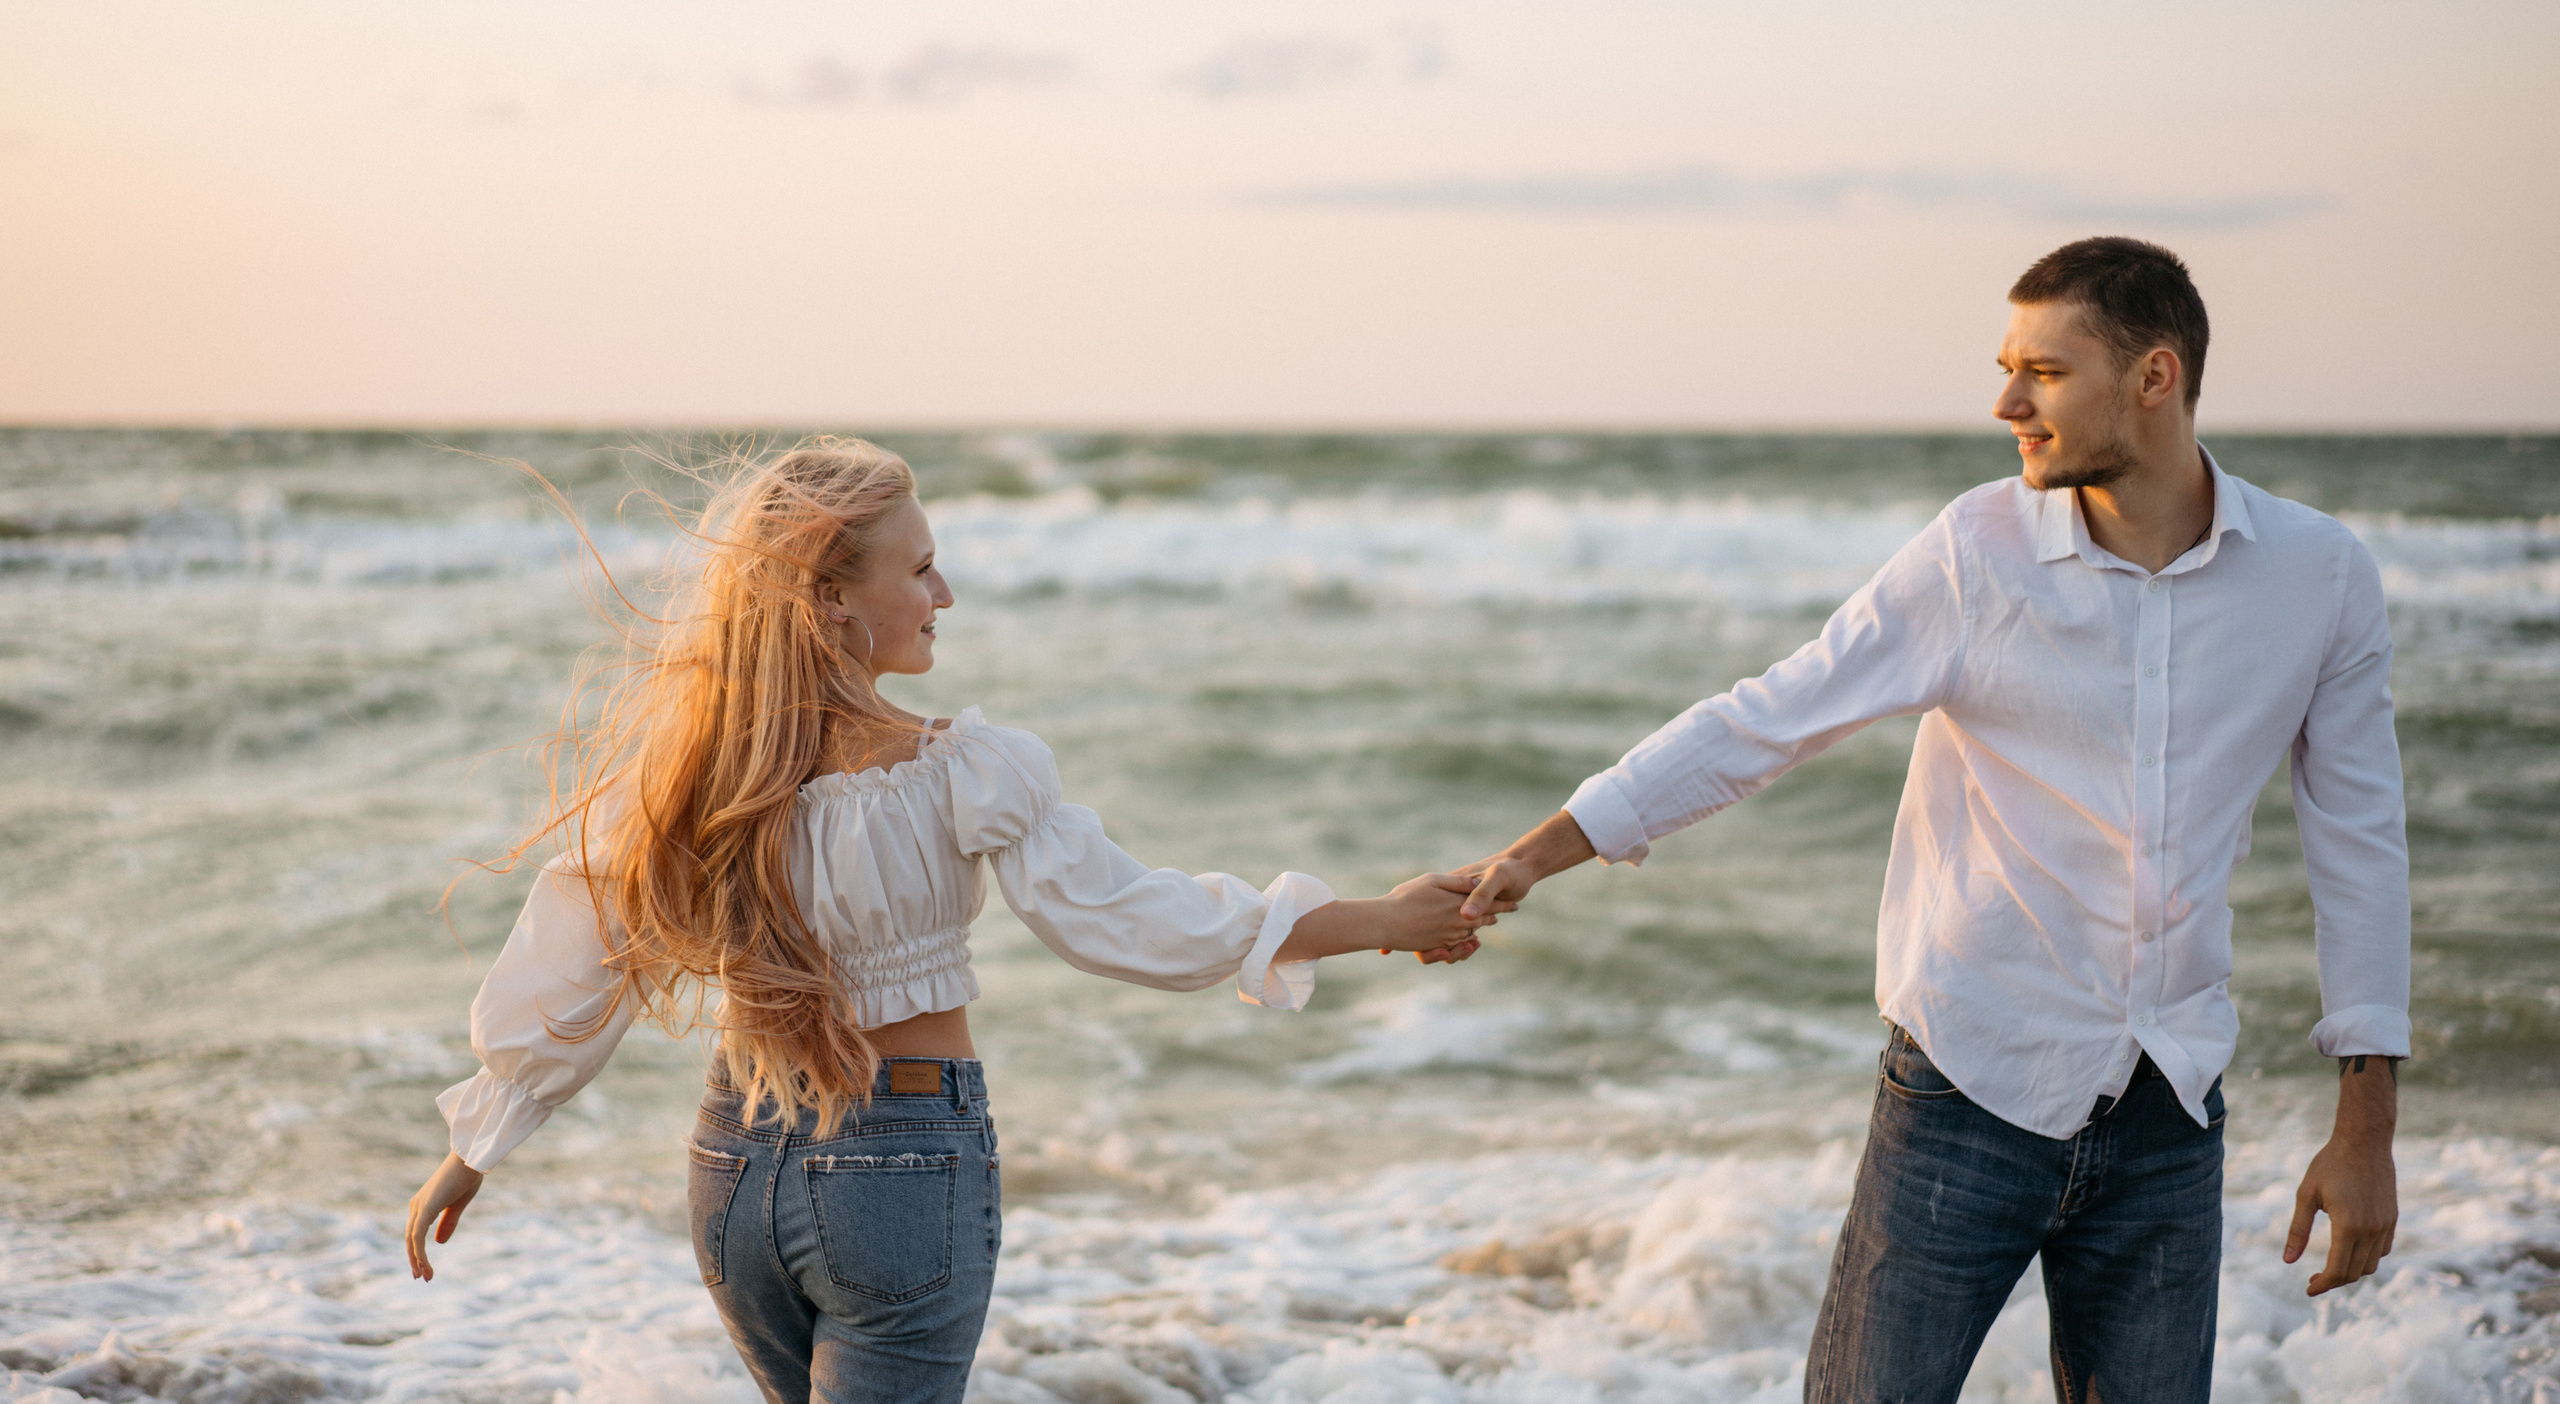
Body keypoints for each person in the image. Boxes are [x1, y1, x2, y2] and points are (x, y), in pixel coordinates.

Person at [1445, 239, 2409, 1404]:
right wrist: (1542, 850)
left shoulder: (2317, 576)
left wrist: (2364, 1129)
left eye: (2043, 373)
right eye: (2008, 370)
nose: (2006, 404)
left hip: (2169, 1102)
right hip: (1966, 1088)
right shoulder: (1974, 553)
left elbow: (2358, 844)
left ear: (2154, 376)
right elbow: (1771, 717)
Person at [401, 438, 1500, 1404]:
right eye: (920, 567)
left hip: (732, 1170)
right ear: (831, 597)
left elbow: (580, 941)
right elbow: (1130, 921)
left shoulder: (698, 776)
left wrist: (478, 1142)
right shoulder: (958, 769)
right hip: (900, 1168)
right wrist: (1382, 917)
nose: (947, 593)